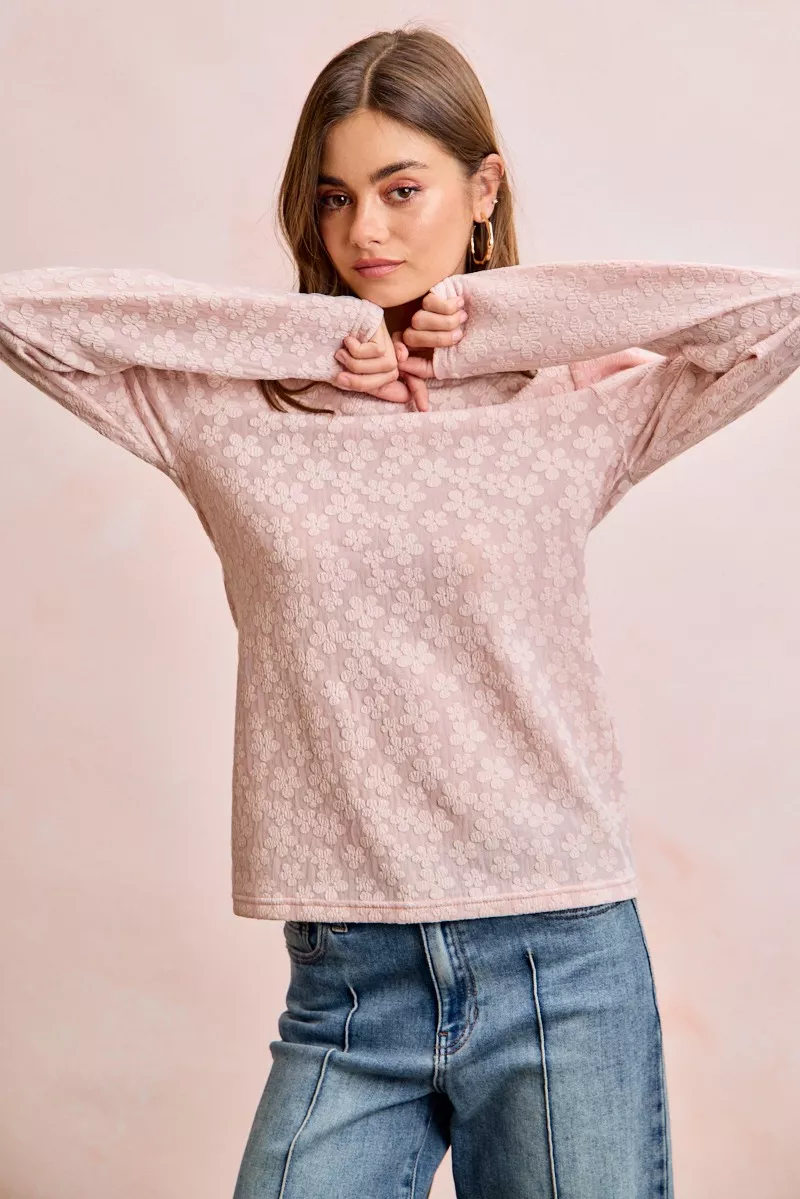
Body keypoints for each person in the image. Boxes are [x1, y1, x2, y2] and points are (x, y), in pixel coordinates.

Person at [3, 22, 800, 1199]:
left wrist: (509, 320)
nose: (363, 231)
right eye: (333, 198)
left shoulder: (567, 401)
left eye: (400, 188)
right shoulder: (237, 415)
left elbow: (774, 314)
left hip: (560, 958)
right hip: (346, 979)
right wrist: (305, 338)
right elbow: (28, 316)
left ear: (483, 191)